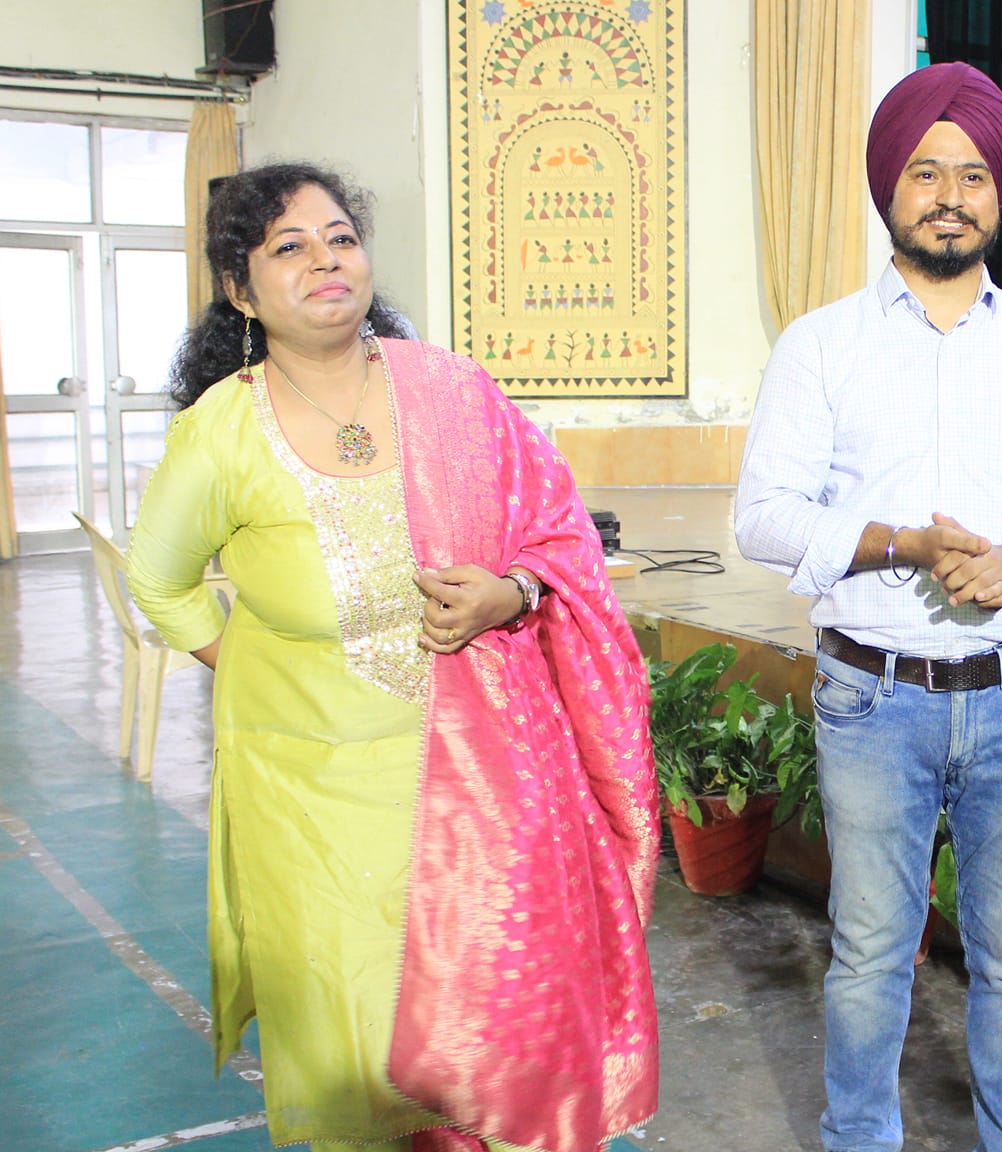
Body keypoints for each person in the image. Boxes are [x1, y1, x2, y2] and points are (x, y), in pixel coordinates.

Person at [128, 163, 658, 1152]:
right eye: (289, 247)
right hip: (312, 801)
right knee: (355, 1042)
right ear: (241, 291)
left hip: (485, 784)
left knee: (495, 1041)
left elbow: (560, 529)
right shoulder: (220, 432)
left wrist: (513, 592)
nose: (325, 261)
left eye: (340, 238)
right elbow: (158, 583)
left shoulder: (452, 391)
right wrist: (255, 669)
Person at [734, 62, 1002, 1152]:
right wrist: (898, 544)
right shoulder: (821, 345)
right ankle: (860, 1138)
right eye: (925, 172)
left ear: (999, 193)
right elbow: (763, 517)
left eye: (971, 175)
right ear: (889, 186)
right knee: (871, 952)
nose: (949, 196)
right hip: (873, 699)